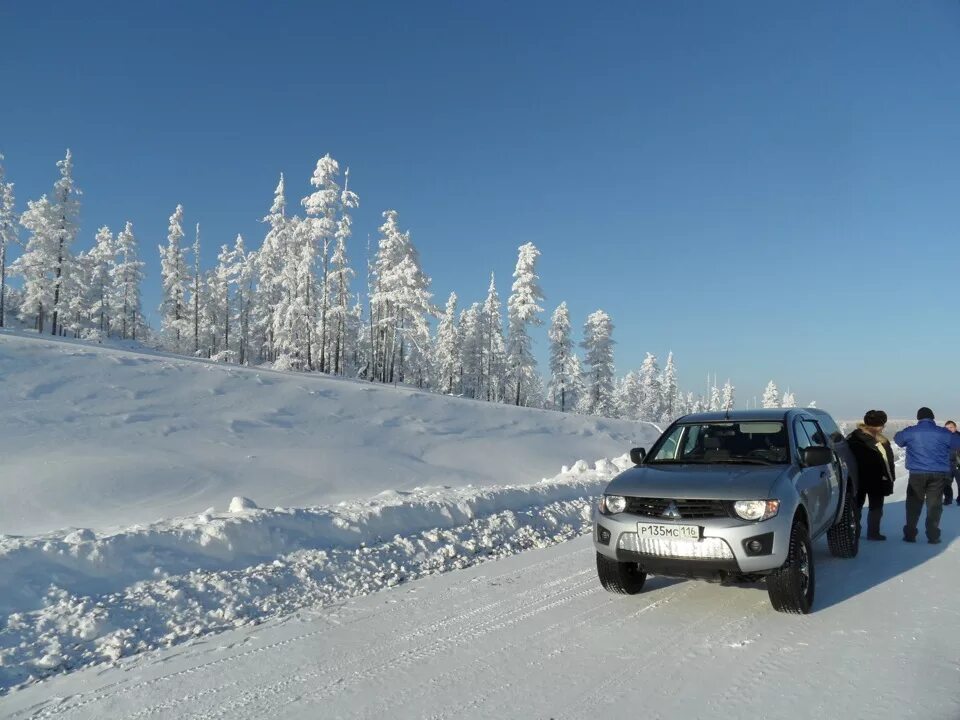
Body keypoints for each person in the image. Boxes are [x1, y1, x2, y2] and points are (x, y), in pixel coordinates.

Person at [894, 407, 960, 544]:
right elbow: (957, 443)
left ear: (918, 418)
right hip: (938, 474)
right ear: (932, 417)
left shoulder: (911, 431)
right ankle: (933, 535)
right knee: (934, 505)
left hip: (916, 474)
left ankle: (910, 534)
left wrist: (905, 431)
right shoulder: (943, 432)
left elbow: (898, 439)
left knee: (913, 504)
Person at [846, 410, 896, 540]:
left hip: (855, 478)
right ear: (879, 426)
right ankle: (873, 533)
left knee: (856, 507)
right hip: (876, 479)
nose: (883, 428)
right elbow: (887, 463)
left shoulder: (852, 437)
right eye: (883, 425)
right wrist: (890, 479)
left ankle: (854, 532)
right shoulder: (880, 442)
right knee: (876, 507)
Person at [943, 420, 959, 505]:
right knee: (946, 483)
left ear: (955, 427)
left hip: (958, 463)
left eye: (951, 427)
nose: (949, 429)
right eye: (947, 428)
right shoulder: (942, 437)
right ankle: (948, 500)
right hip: (947, 464)